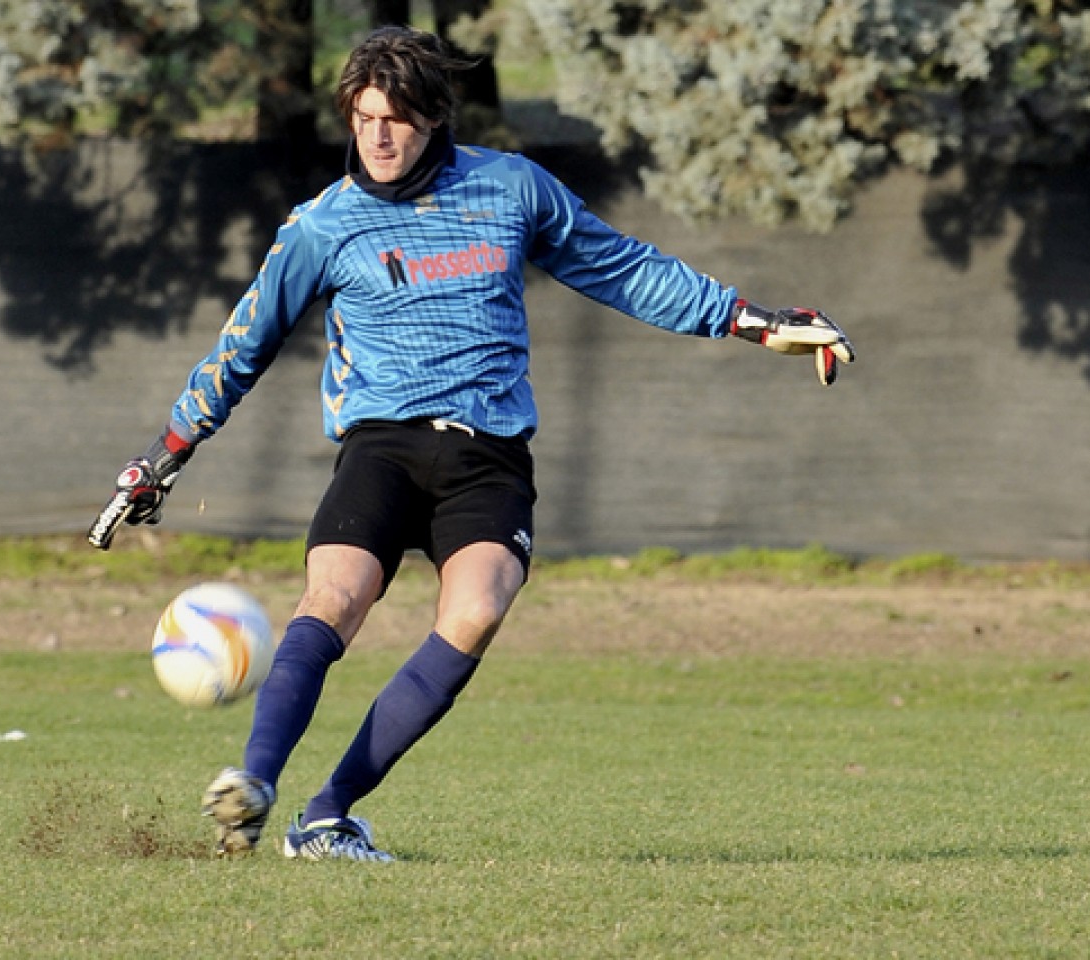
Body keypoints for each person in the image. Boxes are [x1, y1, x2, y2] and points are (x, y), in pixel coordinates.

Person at [92, 25, 854, 863]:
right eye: (364, 117)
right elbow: (242, 347)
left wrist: (752, 321)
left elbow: (626, 269)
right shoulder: (323, 226)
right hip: (381, 446)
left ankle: (327, 815)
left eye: (397, 119)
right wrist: (167, 451)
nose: (378, 137)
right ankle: (254, 785)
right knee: (333, 600)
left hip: (487, 458)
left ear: (434, 121)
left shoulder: (511, 188)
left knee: (478, 609)